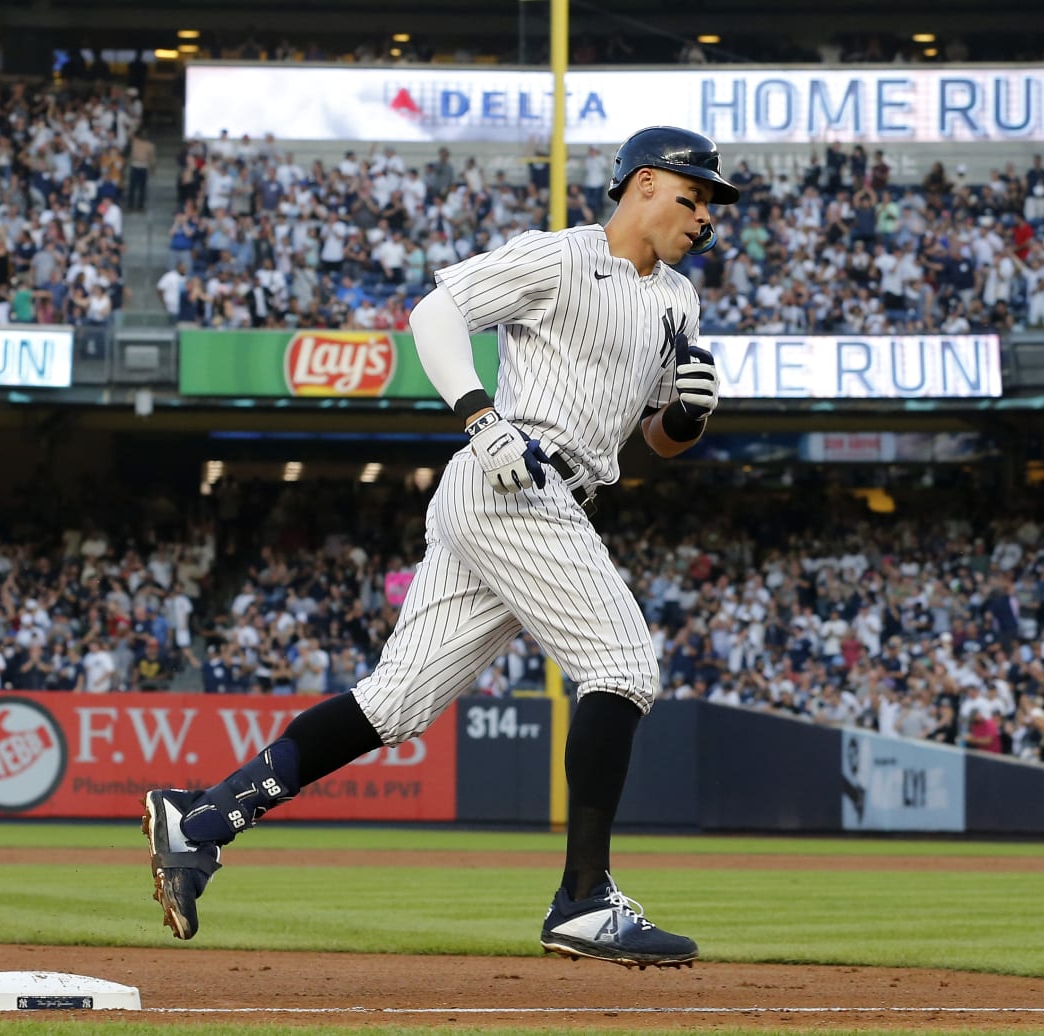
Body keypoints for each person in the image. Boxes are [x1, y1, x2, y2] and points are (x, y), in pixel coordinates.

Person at [142, 126, 736, 969]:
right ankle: (583, 900)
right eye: (695, 193)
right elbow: (437, 311)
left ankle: (201, 819)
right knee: (624, 667)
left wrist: (687, 418)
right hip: (513, 476)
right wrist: (480, 416)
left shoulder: (679, 299)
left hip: (557, 489)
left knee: (395, 703)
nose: (706, 215)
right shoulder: (560, 257)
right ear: (644, 183)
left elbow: (650, 444)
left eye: (711, 202)